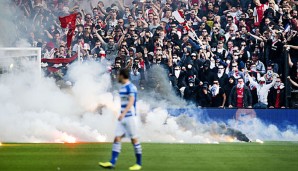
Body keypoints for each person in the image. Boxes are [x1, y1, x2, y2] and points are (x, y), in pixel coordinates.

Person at [99, 69, 142, 171]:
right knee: (117, 138)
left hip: (130, 117)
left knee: (134, 139)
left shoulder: (131, 87)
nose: (117, 76)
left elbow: (131, 101)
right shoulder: (122, 88)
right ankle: (112, 162)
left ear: (122, 76)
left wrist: (123, 113)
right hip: (123, 117)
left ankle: (138, 163)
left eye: (118, 75)